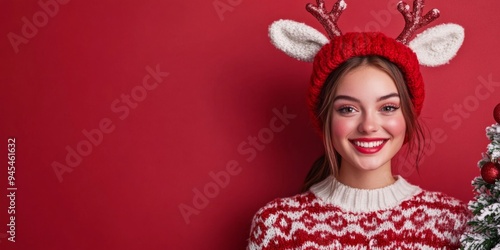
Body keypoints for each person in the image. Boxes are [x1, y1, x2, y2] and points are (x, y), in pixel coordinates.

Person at [247, 0, 470, 249]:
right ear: (325, 118)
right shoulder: (278, 226)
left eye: (387, 108)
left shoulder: (454, 224)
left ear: (407, 116)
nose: (368, 126)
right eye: (348, 109)